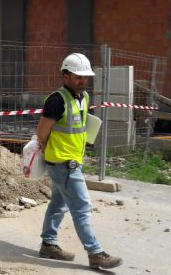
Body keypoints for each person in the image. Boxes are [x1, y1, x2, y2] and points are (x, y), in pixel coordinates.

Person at [36, 53, 123, 270]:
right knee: (82, 207)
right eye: (78, 77)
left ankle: (48, 243)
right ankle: (95, 253)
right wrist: (49, 149)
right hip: (64, 164)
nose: (83, 81)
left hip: (73, 161)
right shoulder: (57, 100)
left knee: (58, 204)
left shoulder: (83, 98)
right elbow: (42, 131)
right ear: (65, 76)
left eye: (86, 77)